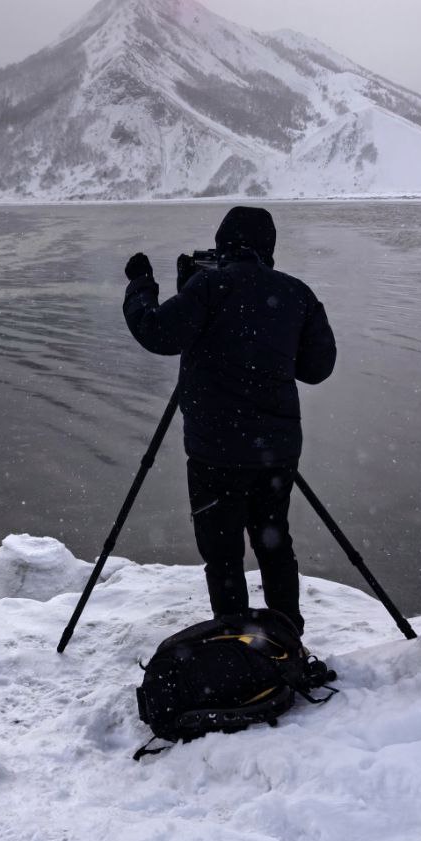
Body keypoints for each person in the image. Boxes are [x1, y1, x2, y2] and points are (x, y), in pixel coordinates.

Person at [123, 206, 336, 633]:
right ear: (268, 248)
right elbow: (317, 368)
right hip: (276, 454)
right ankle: (286, 634)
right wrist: (269, 338)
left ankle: (236, 643)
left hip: (215, 453)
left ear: (222, 244)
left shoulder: (209, 288)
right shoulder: (297, 294)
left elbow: (156, 332)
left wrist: (141, 285)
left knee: (222, 553)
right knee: (274, 543)